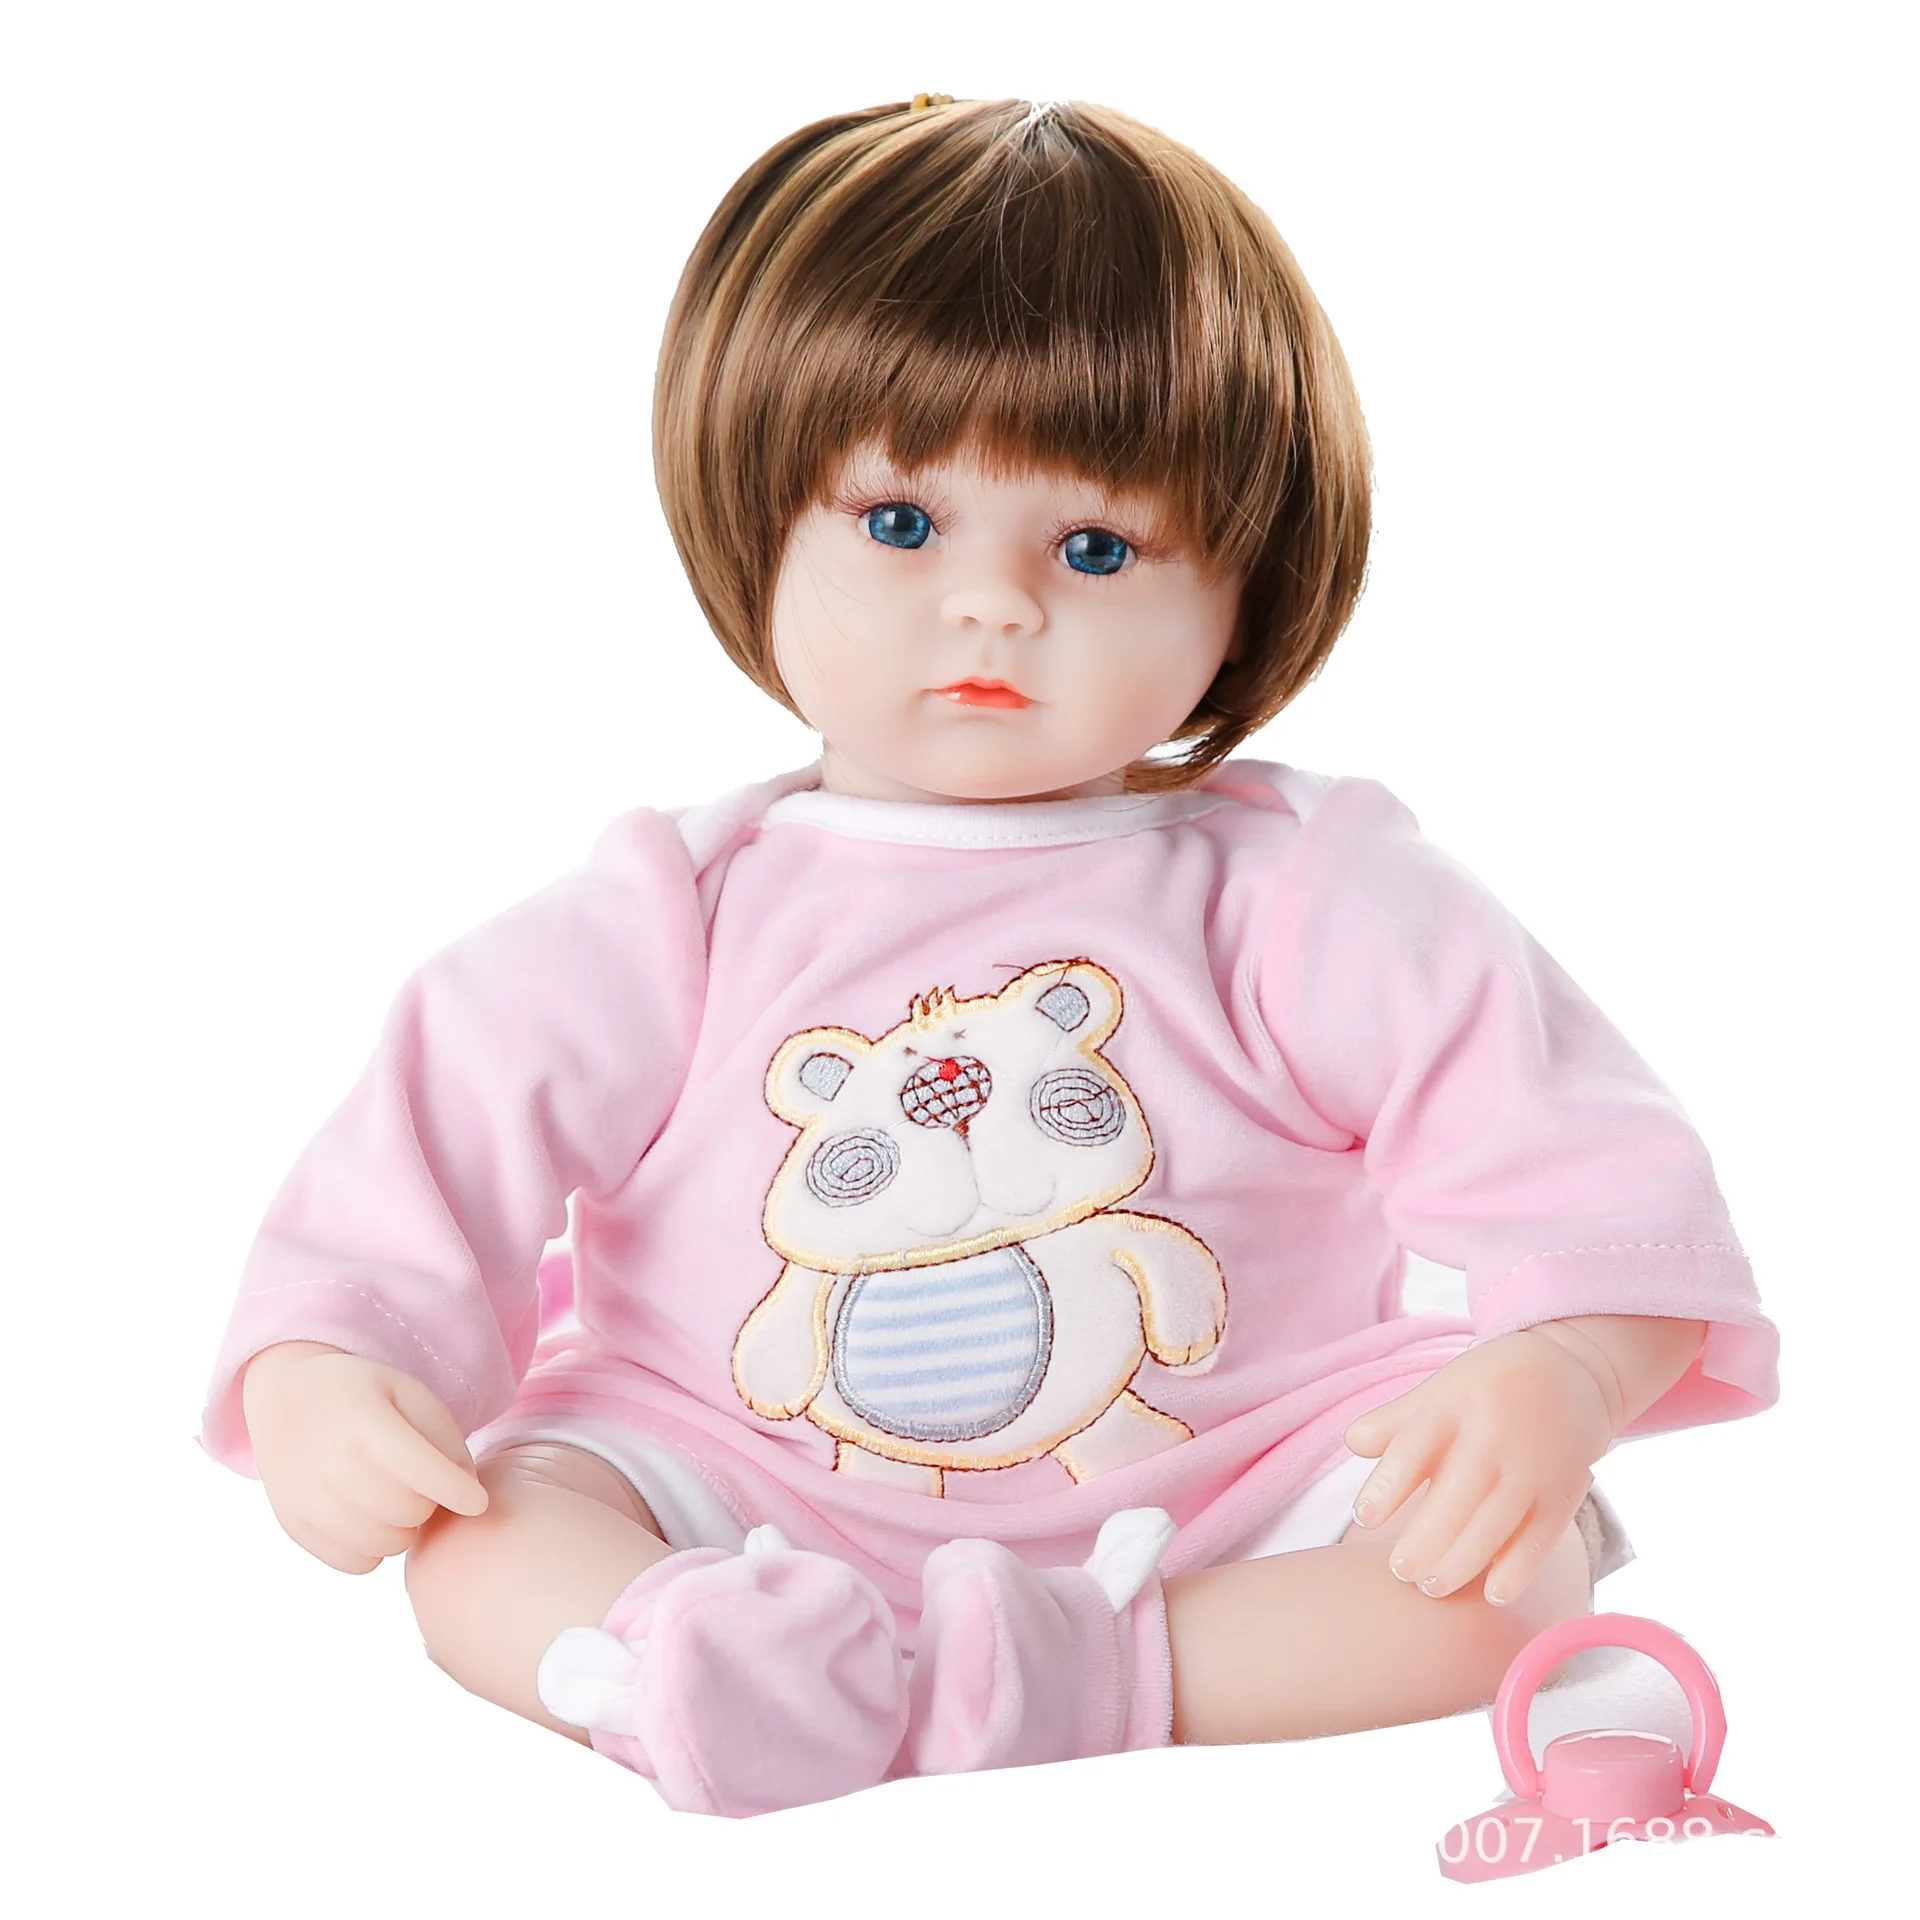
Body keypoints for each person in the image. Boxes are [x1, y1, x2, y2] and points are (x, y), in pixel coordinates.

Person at [202, 96, 1779, 1818]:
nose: (993, 605)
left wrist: (1564, 1368)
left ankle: (1059, 1679)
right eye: (900, 523)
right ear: (758, 512)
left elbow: (1582, 1167)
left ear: (1245, 580)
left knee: (1510, 1574)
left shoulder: (1305, 892)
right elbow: (432, 1143)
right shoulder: (679, 908)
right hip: (727, 1486)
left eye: (1095, 548)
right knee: (487, 1534)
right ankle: (705, 1660)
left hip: (1235, 1493)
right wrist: (330, 1364)